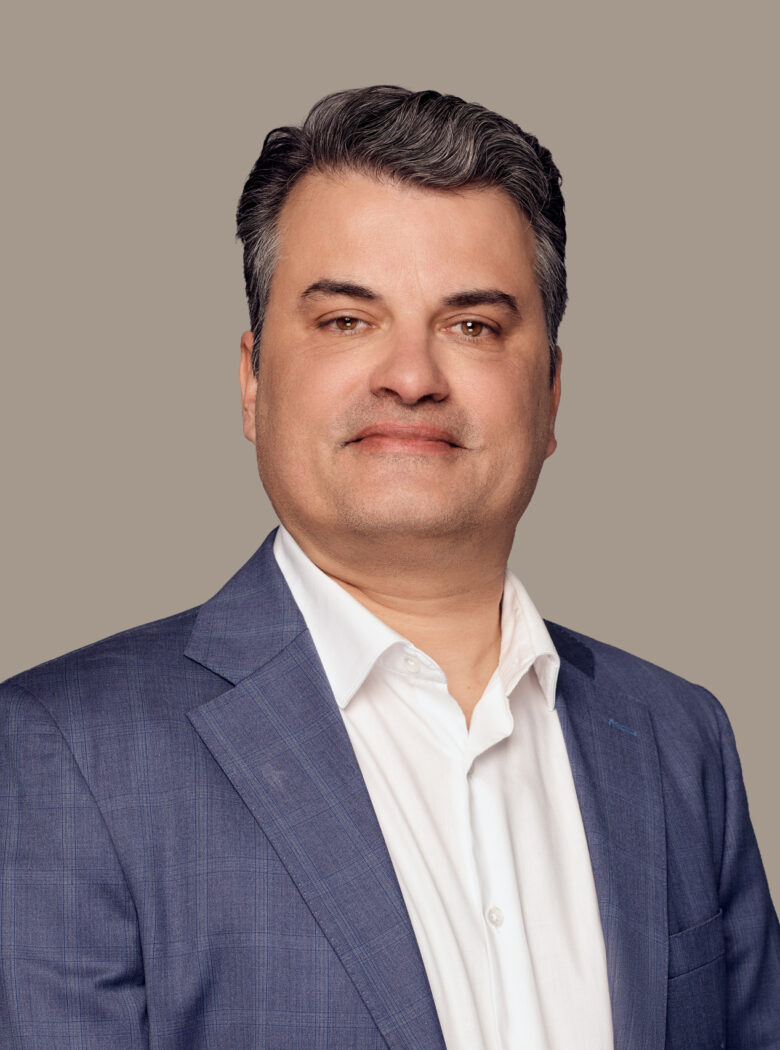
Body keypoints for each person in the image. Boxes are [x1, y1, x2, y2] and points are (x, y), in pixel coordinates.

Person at [0, 85, 777, 1050]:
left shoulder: (677, 740)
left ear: (551, 392)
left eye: (473, 326)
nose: (411, 377)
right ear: (252, 380)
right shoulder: (65, 754)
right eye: (346, 320)